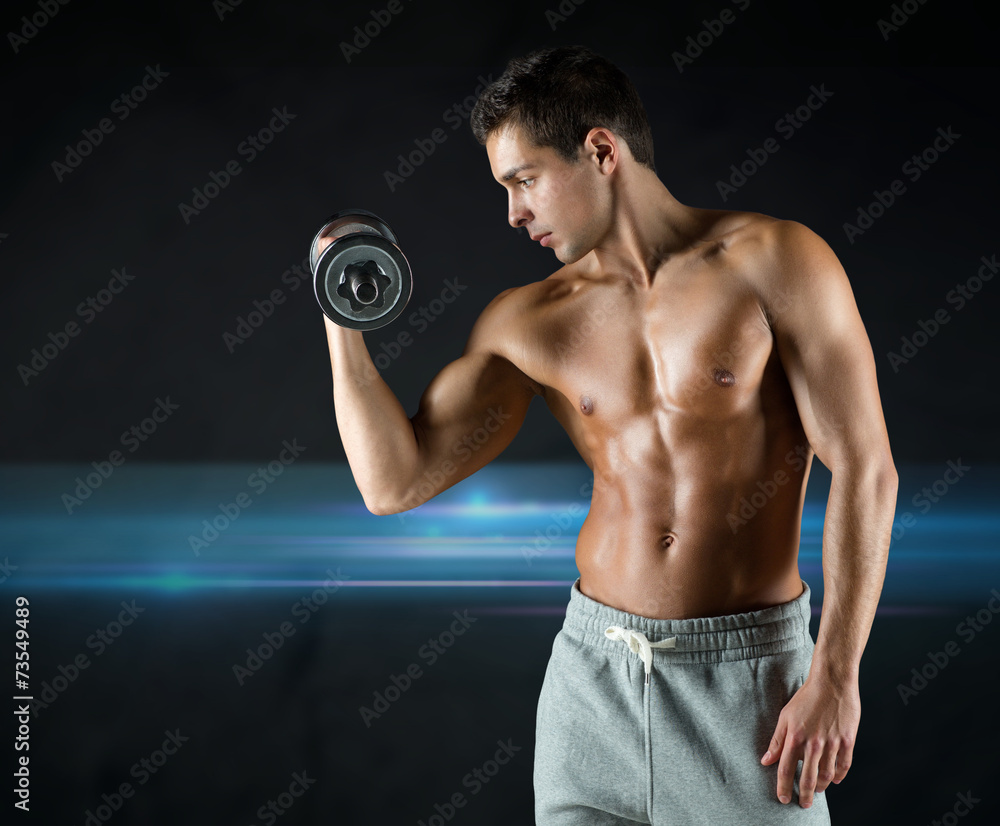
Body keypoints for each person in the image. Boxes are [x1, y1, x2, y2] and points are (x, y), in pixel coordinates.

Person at [321, 45, 898, 825]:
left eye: (524, 180)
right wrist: (340, 317)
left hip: (749, 692)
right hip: (591, 683)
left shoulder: (776, 262)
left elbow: (866, 468)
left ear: (600, 150)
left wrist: (835, 673)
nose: (515, 213)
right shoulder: (530, 321)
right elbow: (393, 483)